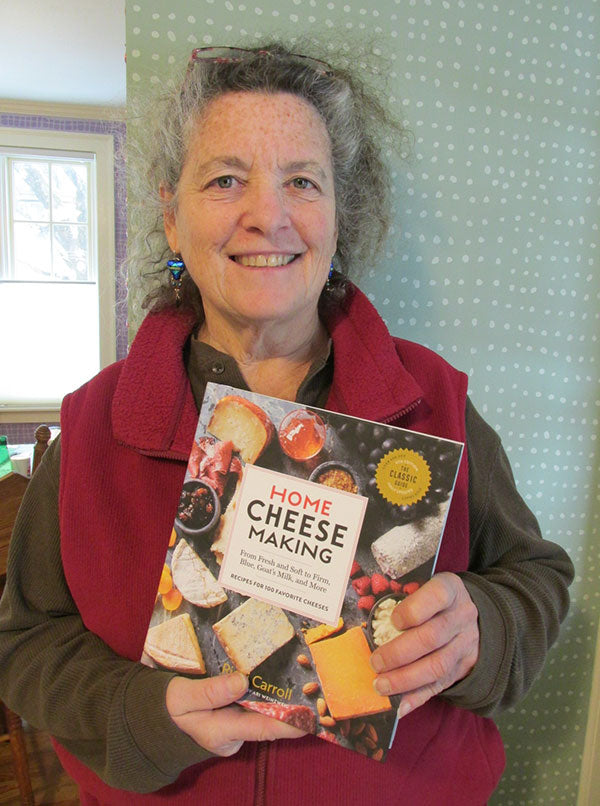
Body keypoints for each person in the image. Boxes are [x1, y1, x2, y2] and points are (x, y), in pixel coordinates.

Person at [0, 43, 573, 805]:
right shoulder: (97, 427)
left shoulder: (433, 400)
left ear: (340, 218)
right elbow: (25, 642)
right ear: (171, 217)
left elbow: (537, 578)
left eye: (302, 181)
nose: (267, 216)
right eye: (226, 179)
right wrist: (139, 715)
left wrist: (483, 630)